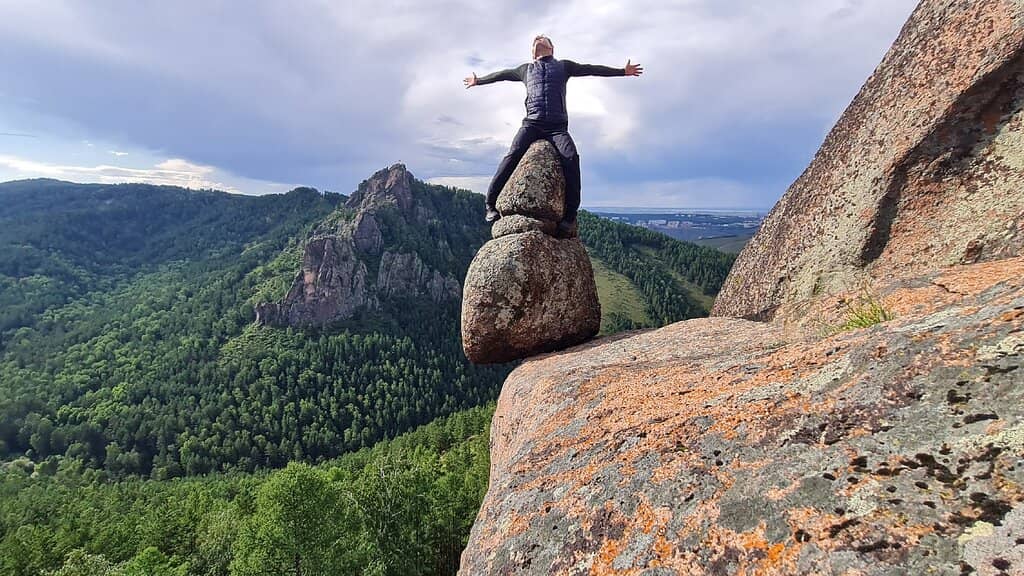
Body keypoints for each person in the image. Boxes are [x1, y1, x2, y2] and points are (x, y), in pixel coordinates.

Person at [464, 35, 643, 236]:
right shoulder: (525, 69)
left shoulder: (563, 66)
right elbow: (502, 75)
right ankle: (490, 204)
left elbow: (591, 69)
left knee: (571, 157)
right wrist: (479, 81)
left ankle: (570, 215)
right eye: (535, 41)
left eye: (543, 39)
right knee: (513, 155)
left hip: (557, 127)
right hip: (532, 123)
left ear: (552, 48)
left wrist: (622, 71)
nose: (538, 39)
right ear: (532, 52)